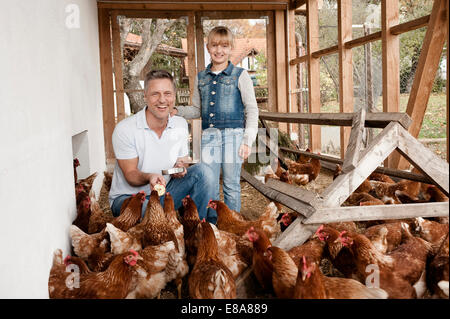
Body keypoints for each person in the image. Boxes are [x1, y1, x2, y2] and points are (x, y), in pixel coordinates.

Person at [174, 26, 259, 221]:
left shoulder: (240, 75)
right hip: (208, 137)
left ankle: (232, 226)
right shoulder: (201, 77)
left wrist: (247, 140)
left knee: (231, 185)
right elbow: (196, 109)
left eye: (224, 46)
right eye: (214, 45)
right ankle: (211, 227)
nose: (219, 50)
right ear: (207, 47)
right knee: (210, 184)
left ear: (231, 48)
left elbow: (252, 110)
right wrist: (177, 111)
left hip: (234, 136)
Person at [108, 69, 216, 222]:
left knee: (204, 172)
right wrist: (150, 176)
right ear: (145, 96)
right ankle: (167, 223)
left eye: (167, 93)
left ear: (174, 96)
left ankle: (199, 230)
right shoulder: (125, 129)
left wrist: (180, 166)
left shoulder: (180, 124)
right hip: (131, 198)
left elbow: (182, 160)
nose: (162, 100)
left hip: (165, 192)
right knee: (152, 215)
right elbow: (131, 174)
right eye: (155, 94)